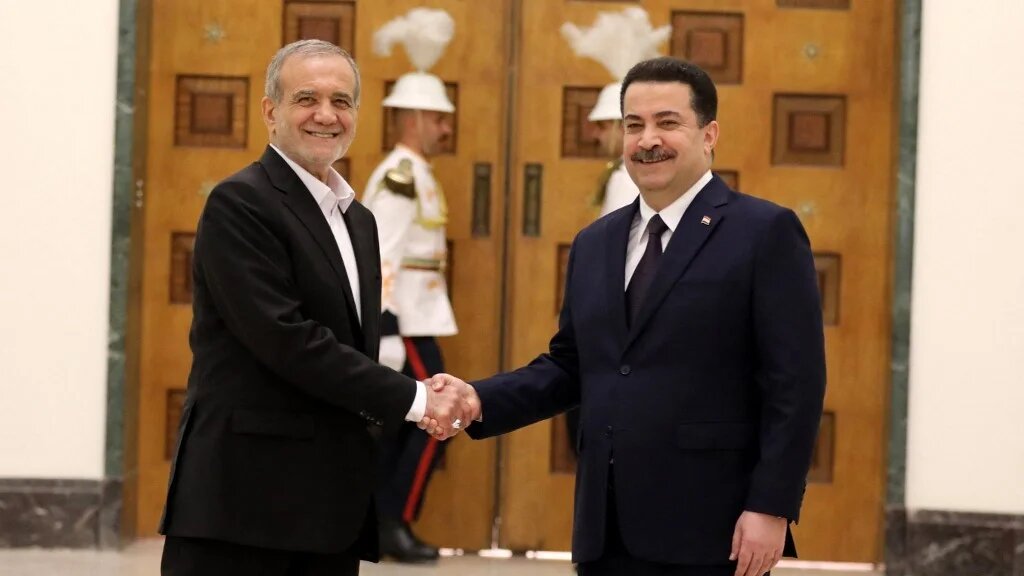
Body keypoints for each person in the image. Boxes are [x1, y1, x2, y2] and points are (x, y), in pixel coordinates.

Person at [427, 57, 826, 576]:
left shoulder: (764, 232)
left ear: (709, 134)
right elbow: (571, 365)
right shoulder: (596, 242)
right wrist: (480, 398)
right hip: (605, 526)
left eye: (667, 122)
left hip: (712, 527)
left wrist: (771, 505)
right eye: (633, 125)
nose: (647, 139)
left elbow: (795, 383)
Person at [158, 39, 467, 576]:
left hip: (328, 510)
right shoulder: (241, 204)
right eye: (307, 98)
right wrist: (417, 399)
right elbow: (287, 340)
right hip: (243, 510)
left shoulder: (358, 220)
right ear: (270, 111)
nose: (326, 115)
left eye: (342, 101)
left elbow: (349, 346)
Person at [361, 8, 458, 563]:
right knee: (431, 422)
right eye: (439, 119)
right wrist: (387, 329)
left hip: (420, 319)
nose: (446, 128)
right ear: (417, 117)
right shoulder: (398, 176)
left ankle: (387, 520)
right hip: (407, 325)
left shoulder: (415, 172)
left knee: (417, 427)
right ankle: (391, 521)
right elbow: (383, 255)